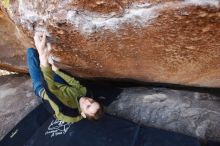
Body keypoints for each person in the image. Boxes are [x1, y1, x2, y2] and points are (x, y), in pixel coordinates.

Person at [26, 32, 103, 123]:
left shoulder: (68, 111)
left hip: (45, 90)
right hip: (61, 85)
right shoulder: (86, 93)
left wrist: (43, 57)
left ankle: (41, 57)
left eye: (88, 106)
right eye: (92, 101)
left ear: (82, 113)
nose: (88, 101)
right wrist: (56, 70)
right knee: (48, 65)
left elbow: (51, 90)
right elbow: (73, 82)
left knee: (31, 52)